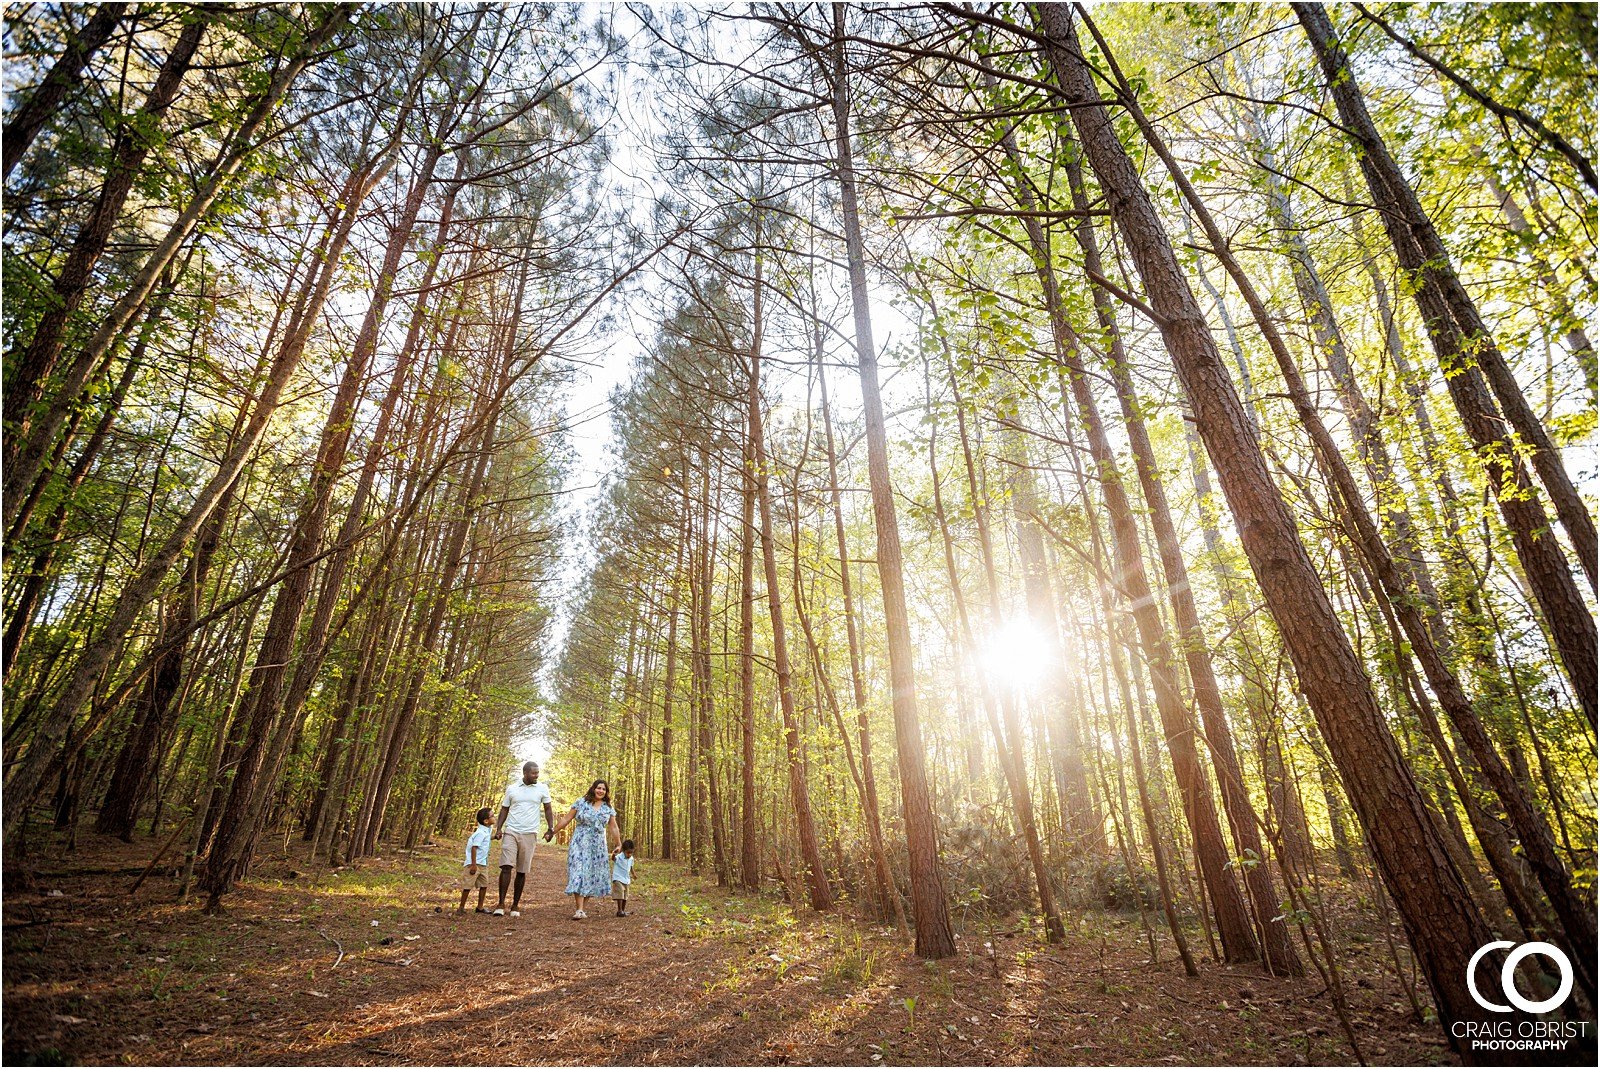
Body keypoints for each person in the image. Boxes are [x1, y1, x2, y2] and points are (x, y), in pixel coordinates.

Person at [490, 761, 554, 917]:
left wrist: (550, 828)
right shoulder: (512, 789)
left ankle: (515, 905)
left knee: (522, 870)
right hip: (511, 831)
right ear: (525, 773)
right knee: (506, 866)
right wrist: (499, 828)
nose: (536, 776)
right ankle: (500, 903)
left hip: (530, 833)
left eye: (537, 773)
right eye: (533, 773)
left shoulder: (542, 788)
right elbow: (504, 809)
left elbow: (548, 809)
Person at [552, 778, 619, 919]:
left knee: (592, 875)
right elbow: (566, 819)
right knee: (578, 871)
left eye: (603, 789)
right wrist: (553, 831)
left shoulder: (608, 808)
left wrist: (618, 844)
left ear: (606, 792)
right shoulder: (581, 802)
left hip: (598, 846)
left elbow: (613, 827)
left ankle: (582, 909)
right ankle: (579, 909)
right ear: (593, 788)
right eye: (598, 788)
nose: (600, 791)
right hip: (579, 842)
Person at [458, 806, 493, 914]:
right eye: (492, 816)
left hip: (483, 864)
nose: (494, 817)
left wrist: (495, 837)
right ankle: (461, 907)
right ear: (486, 821)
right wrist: (473, 864)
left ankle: (480, 907)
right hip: (474, 864)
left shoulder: (486, 831)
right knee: (468, 885)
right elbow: (474, 847)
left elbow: (485, 840)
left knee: (484, 885)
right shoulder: (480, 833)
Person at [610, 838, 636, 917]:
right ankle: (619, 910)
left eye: (631, 853)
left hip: (626, 879)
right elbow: (613, 859)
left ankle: (622, 911)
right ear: (623, 851)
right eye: (628, 853)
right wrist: (614, 854)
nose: (629, 854)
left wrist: (633, 874)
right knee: (620, 892)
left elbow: (631, 867)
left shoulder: (631, 858)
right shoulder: (619, 857)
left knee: (625, 895)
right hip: (618, 878)